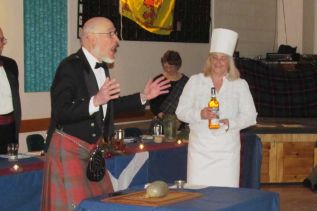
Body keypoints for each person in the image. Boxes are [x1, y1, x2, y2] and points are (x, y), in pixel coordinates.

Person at [42, 17, 170, 210]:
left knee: (102, 204)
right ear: (92, 38)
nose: (117, 40)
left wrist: (144, 96)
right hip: (68, 150)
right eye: (111, 34)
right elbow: (60, 112)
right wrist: (96, 100)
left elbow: (107, 107)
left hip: (92, 151)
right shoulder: (70, 66)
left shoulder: (101, 68)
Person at [176, 28, 257, 188]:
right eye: (215, 58)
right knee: (199, 197)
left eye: (223, 59)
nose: (218, 62)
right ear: (209, 60)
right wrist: (200, 114)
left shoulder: (240, 85)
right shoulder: (195, 81)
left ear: (229, 62)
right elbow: (181, 112)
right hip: (200, 151)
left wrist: (230, 123)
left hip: (227, 152)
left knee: (225, 197)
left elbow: (250, 116)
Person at [0, 27, 21, 154]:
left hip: (9, 127)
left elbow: (15, 98)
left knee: (10, 167)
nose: (2, 44)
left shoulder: (11, 65)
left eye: (2, 39)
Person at [150, 50, 188, 119]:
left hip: (181, 119)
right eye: (165, 67)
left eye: (171, 67)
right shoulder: (158, 80)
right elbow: (153, 103)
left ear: (177, 66)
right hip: (162, 119)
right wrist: (162, 115)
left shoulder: (186, 81)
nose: (168, 70)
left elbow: (188, 102)